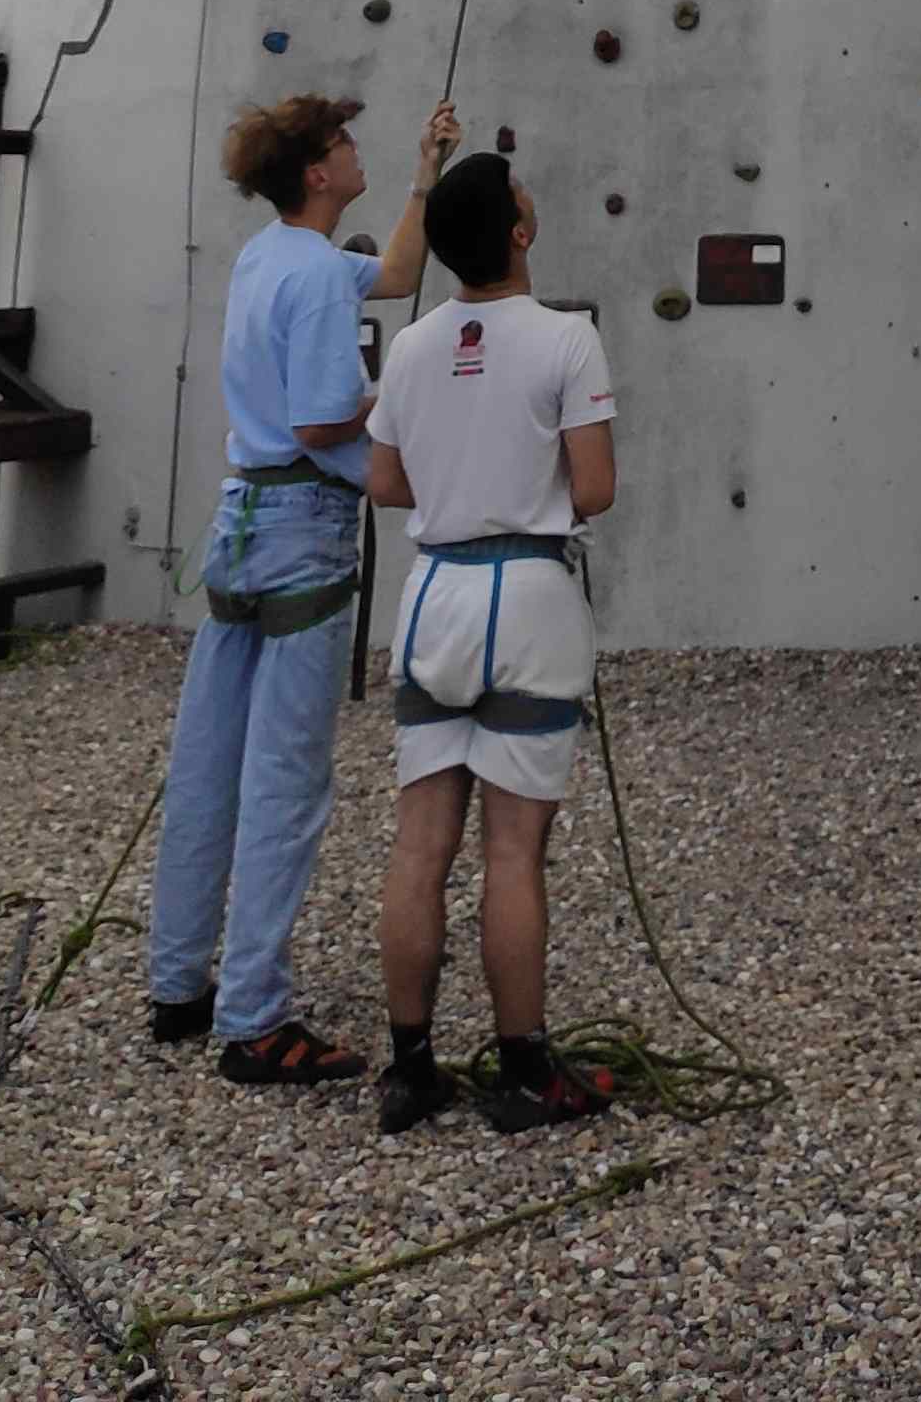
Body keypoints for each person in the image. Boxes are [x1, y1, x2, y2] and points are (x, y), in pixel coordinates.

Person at [145, 89, 460, 1086]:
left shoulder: (267, 255)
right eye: (347, 144)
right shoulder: (319, 275)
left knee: (206, 764)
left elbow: (398, 273)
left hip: (239, 521)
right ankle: (254, 1021)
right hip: (302, 531)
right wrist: (395, 401)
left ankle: (178, 983)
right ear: (320, 172)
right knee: (286, 782)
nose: (358, 153)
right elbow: (324, 422)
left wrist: (425, 175)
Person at [365, 147, 619, 1137]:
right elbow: (594, 489)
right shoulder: (567, 340)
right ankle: (523, 1072)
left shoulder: (411, 345)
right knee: (513, 853)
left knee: (420, 843)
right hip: (527, 597)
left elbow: (386, 484)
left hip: (434, 594)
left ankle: (410, 1069)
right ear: (519, 232)